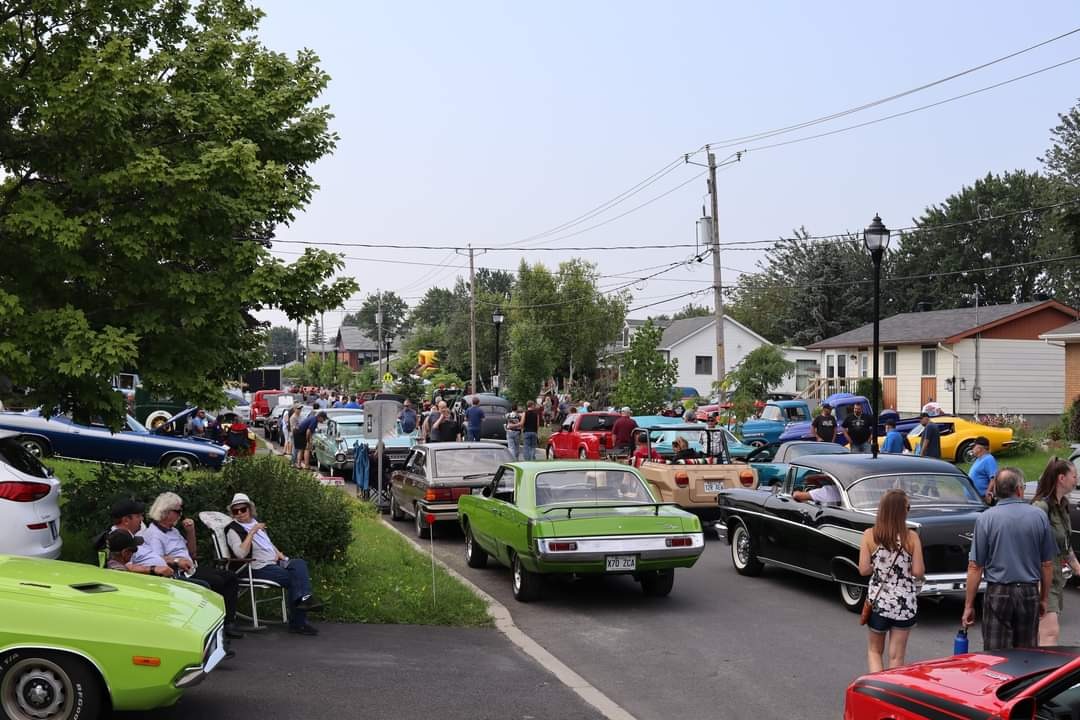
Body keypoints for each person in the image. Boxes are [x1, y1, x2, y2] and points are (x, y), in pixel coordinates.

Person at [962, 468, 1058, 651]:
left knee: (996, 652)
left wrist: (969, 605)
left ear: (996, 491)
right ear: (1020, 489)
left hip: (999, 591)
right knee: (1027, 651)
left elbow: (975, 566)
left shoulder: (986, 519)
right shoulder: (1039, 516)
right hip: (1029, 591)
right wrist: (1044, 598)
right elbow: (1046, 563)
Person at [136, 492, 244, 638]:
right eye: (178, 511)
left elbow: (192, 553)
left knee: (230, 577)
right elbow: (157, 559)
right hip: (177, 573)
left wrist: (190, 532)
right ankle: (212, 628)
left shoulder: (173, 531)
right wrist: (176, 561)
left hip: (190, 568)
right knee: (216, 582)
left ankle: (228, 623)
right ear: (166, 512)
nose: (181, 515)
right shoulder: (154, 534)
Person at [225, 493, 323, 636]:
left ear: (250, 509)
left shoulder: (256, 522)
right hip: (256, 567)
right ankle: (298, 622)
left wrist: (279, 554)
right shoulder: (233, 530)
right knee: (293, 578)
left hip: (275, 562)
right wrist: (251, 533)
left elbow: (268, 544)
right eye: (235, 511)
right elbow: (240, 554)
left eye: (243, 509)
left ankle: (305, 598)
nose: (239, 513)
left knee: (299, 564)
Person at [858, 489, 924, 672]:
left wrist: (879, 567)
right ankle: (891, 693)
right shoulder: (911, 537)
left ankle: (876, 693)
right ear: (902, 511)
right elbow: (918, 571)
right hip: (904, 604)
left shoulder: (869, 535)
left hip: (879, 602)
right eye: (908, 507)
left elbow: (863, 569)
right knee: (897, 656)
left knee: (874, 651)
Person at [1032, 459, 1080, 646]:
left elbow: (1065, 545)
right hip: (1041, 580)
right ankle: (1047, 673)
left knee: (1045, 632)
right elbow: (1030, 546)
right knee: (1049, 632)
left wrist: (1077, 567)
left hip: (1055, 578)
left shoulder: (1062, 506)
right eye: (1074, 475)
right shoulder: (1040, 508)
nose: (1076, 480)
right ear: (1061, 478)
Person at [968, 437, 998, 502]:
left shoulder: (989, 459)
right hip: (974, 498)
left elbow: (994, 478)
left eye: (973, 447)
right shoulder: (979, 459)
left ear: (979, 448)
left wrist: (988, 493)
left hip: (982, 498)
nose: (972, 449)